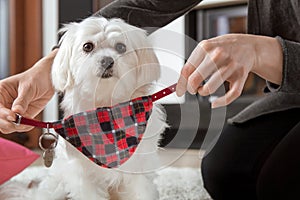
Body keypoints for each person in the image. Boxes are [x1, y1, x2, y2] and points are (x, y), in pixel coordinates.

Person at [0, 0, 299, 199]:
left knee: (278, 182)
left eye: (120, 48)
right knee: (227, 173)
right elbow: (149, 2)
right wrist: (50, 64)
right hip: (291, 98)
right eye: (90, 48)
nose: (105, 59)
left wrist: (268, 53)